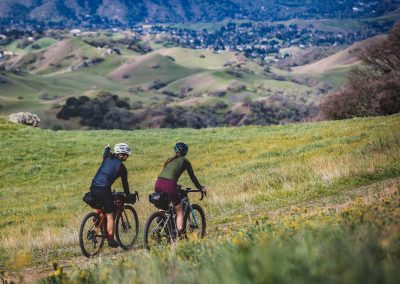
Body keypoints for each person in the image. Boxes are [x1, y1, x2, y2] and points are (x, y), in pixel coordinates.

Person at [155, 142, 206, 238]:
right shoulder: (185, 161)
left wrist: (175, 185)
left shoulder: (169, 160)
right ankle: (179, 235)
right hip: (170, 184)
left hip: (158, 183)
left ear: (175, 151)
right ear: (185, 153)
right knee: (179, 211)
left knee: (165, 206)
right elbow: (193, 177)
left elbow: (167, 175)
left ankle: (160, 218)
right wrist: (200, 188)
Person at [90, 143, 131, 248]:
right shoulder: (121, 167)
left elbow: (105, 153)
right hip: (104, 189)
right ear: (121, 155)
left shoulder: (107, 158)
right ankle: (111, 239)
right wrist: (127, 194)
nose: (127, 157)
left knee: (103, 203)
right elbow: (125, 183)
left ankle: (97, 218)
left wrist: (107, 147)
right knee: (110, 214)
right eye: (126, 155)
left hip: (93, 186)